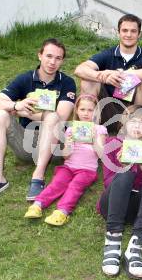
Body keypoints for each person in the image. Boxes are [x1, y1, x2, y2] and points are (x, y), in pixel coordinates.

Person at [0, 38, 76, 202]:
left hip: (55, 148)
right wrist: (16, 105)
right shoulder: (25, 79)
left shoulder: (67, 83)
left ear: (62, 61)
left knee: (52, 116)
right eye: (49, 56)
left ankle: (38, 176)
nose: (52, 62)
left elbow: (61, 117)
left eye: (58, 58)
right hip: (26, 144)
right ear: (39, 55)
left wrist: (25, 113)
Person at [97, 105, 142, 280]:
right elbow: (108, 182)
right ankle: (113, 241)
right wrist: (123, 167)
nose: (137, 126)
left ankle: (136, 246)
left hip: (136, 209)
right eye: (133, 121)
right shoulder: (112, 144)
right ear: (124, 123)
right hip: (111, 205)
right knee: (124, 177)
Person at [24, 94, 106, 225]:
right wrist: (68, 143)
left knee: (75, 187)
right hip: (68, 167)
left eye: (90, 110)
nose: (86, 113)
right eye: (82, 109)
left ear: (96, 112)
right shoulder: (71, 129)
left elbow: (101, 154)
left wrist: (94, 140)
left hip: (86, 170)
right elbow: (65, 156)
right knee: (57, 183)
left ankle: (63, 211)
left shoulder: (99, 129)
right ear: (77, 111)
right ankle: (38, 204)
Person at [74, 14, 142, 132]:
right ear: (118, 32)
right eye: (125, 30)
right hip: (107, 109)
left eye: (133, 31)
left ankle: (138, 135)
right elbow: (80, 69)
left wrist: (121, 74)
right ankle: (87, 132)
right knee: (88, 81)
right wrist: (103, 76)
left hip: (132, 111)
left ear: (139, 34)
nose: (129, 35)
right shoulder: (108, 54)